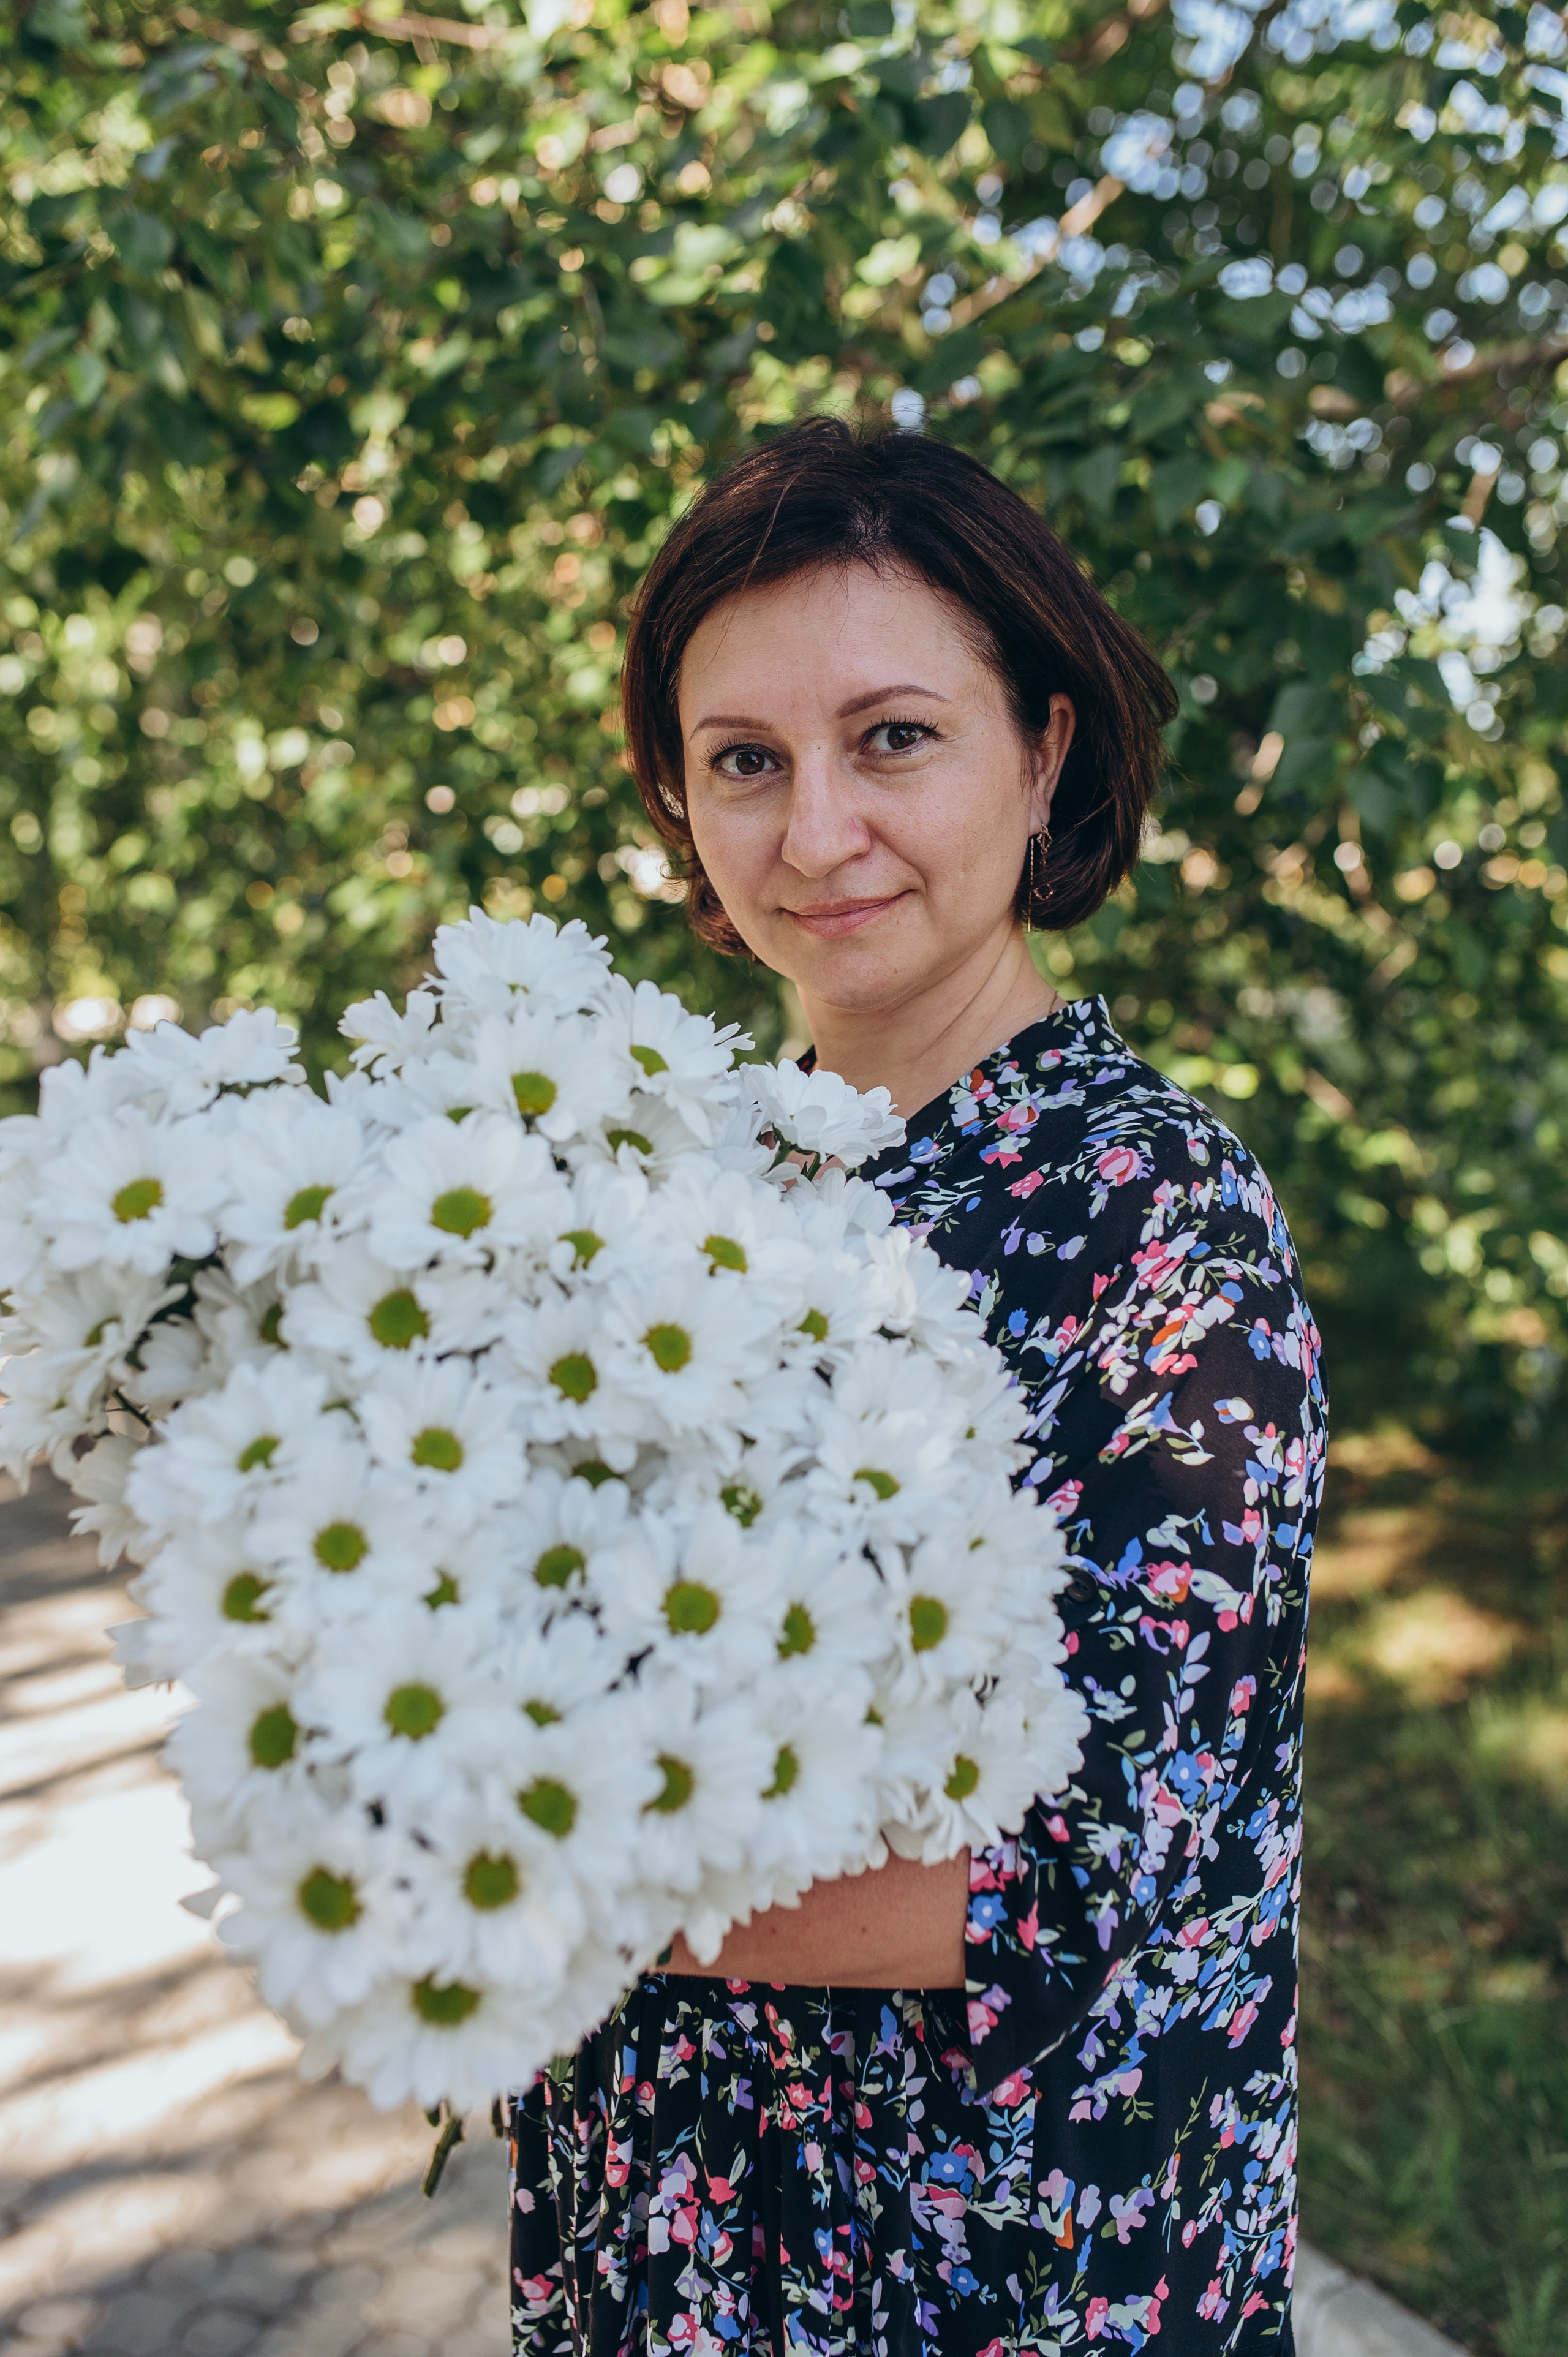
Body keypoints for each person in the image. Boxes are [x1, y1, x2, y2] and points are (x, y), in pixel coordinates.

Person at [508, 417, 1324, 2355]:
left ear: (1041, 751)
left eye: (893, 737)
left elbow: (1063, 1866)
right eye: (744, 763)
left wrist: (460, 1873)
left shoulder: (1164, 1223)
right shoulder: (653, 1194)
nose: (813, 833)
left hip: (1005, 2269)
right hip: (669, 2237)